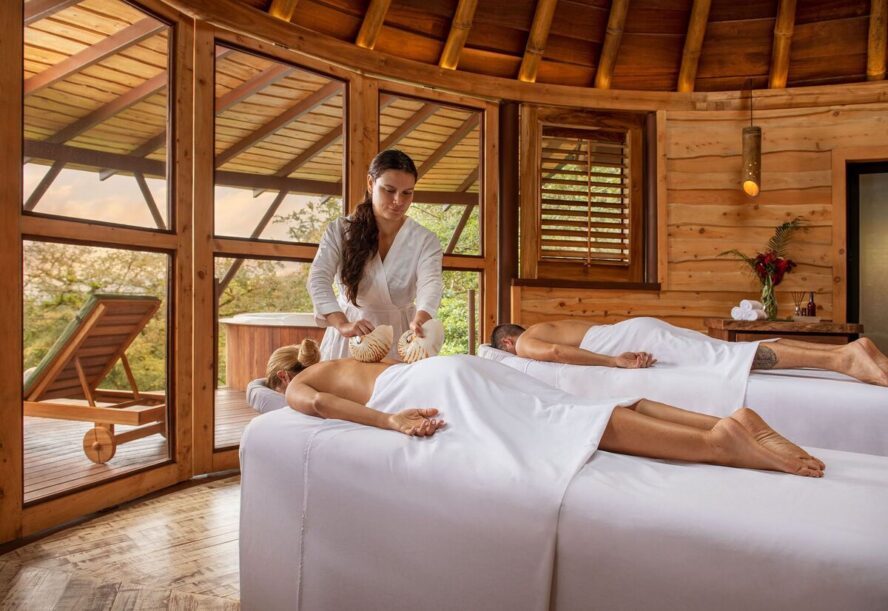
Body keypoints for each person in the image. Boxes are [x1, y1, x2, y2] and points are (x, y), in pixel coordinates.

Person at [282, 350, 825, 478]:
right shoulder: (342, 359)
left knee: (566, 422)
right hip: (454, 367)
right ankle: (719, 423)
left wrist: (392, 421)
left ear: (281, 375)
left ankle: (718, 446)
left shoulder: (300, 382)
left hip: (439, 382)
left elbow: (321, 405)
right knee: (573, 406)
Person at [308, 149, 443, 361]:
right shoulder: (340, 231)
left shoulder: (425, 240)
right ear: (371, 184)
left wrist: (421, 319)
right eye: (389, 190)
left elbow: (431, 283)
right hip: (352, 335)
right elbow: (318, 279)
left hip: (402, 338)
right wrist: (342, 324)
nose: (399, 200)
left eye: (407, 192)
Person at [490, 317, 888, 386]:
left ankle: (841, 360)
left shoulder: (524, 342)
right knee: (726, 350)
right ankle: (853, 350)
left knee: (727, 357)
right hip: (637, 330)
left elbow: (557, 355)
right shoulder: (544, 324)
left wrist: (614, 361)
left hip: (631, 341)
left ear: (507, 342)